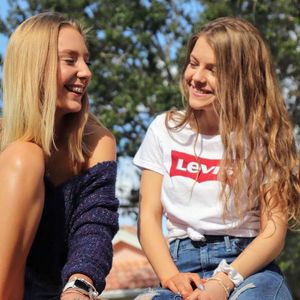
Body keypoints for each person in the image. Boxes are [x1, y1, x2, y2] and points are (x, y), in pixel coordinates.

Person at [133, 17, 300, 300]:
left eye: (213, 69)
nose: (197, 77)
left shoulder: (264, 138)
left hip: (248, 266)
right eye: (193, 63)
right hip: (181, 266)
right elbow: (148, 217)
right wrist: (169, 275)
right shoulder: (163, 130)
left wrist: (225, 281)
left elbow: (273, 231)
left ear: (242, 78)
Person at [0, 12, 119, 300]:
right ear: (34, 67)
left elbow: (94, 227)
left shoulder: (96, 141)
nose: (86, 72)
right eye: (70, 60)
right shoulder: (13, 150)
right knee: (24, 158)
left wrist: (79, 285)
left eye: (86, 61)